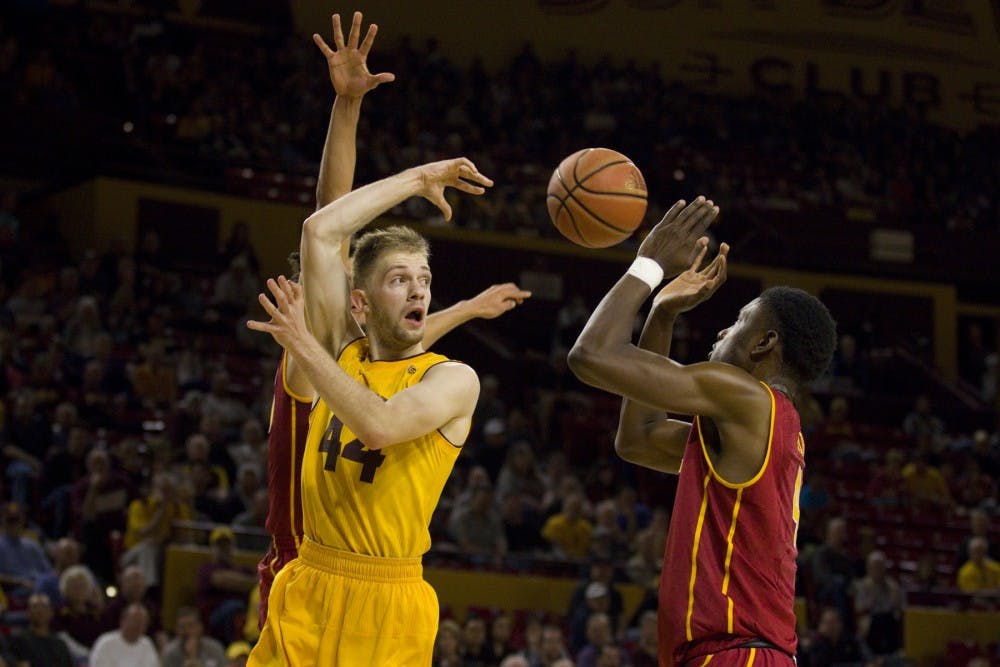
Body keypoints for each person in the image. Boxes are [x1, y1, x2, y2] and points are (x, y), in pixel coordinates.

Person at [253, 10, 529, 634]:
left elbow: (396, 354)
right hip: (303, 560)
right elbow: (328, 221)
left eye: (424, 280)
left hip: (379, 582)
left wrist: (466, 309)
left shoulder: (388, 358)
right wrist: (359, 121)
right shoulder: (319, 342)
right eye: (398, 279)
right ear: (354, 300)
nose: (418, 292)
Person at [568, 197, 837, 664]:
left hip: (738, 654)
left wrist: (648, 265)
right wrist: (662, 316)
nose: (721, 332)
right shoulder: (766, 426)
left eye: (738, 322)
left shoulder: (745, 396)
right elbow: (638, 439)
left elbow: (590, 355)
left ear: (765, 343)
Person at [8, 593, 73, 667]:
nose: (40, 610)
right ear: (28, 613)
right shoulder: (19, 641)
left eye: (44, 606)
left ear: (51, 613)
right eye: (35, 607)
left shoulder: (60, 644)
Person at [88, 603, 159, 667]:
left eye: (142, 622)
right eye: (134, 621)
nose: (137, 625)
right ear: (123, 621)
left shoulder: (147, 644)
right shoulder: (106, 643)